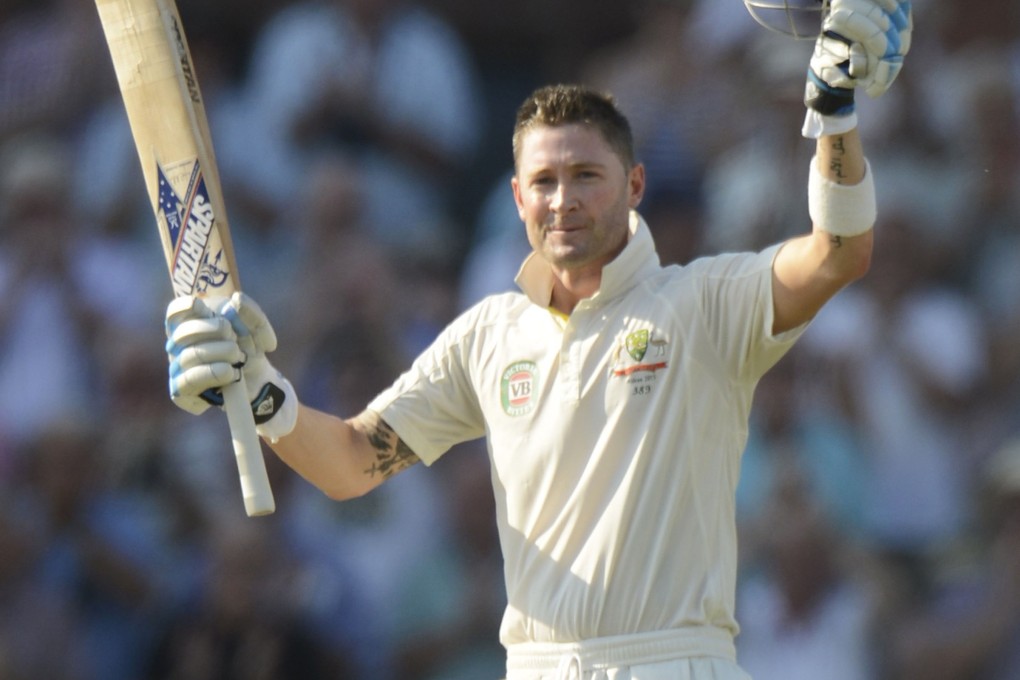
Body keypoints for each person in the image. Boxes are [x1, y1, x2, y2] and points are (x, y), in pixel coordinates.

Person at [163, 1, 912, 677]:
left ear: (636, 186)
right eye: (545, 181)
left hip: (675, 662)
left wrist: (834, 116)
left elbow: (839, 251)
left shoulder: (704, 301)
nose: (565, 200)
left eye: (588, 175)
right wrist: (262, 391)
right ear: (517, 196)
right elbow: (352, 463)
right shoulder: (490, 335)